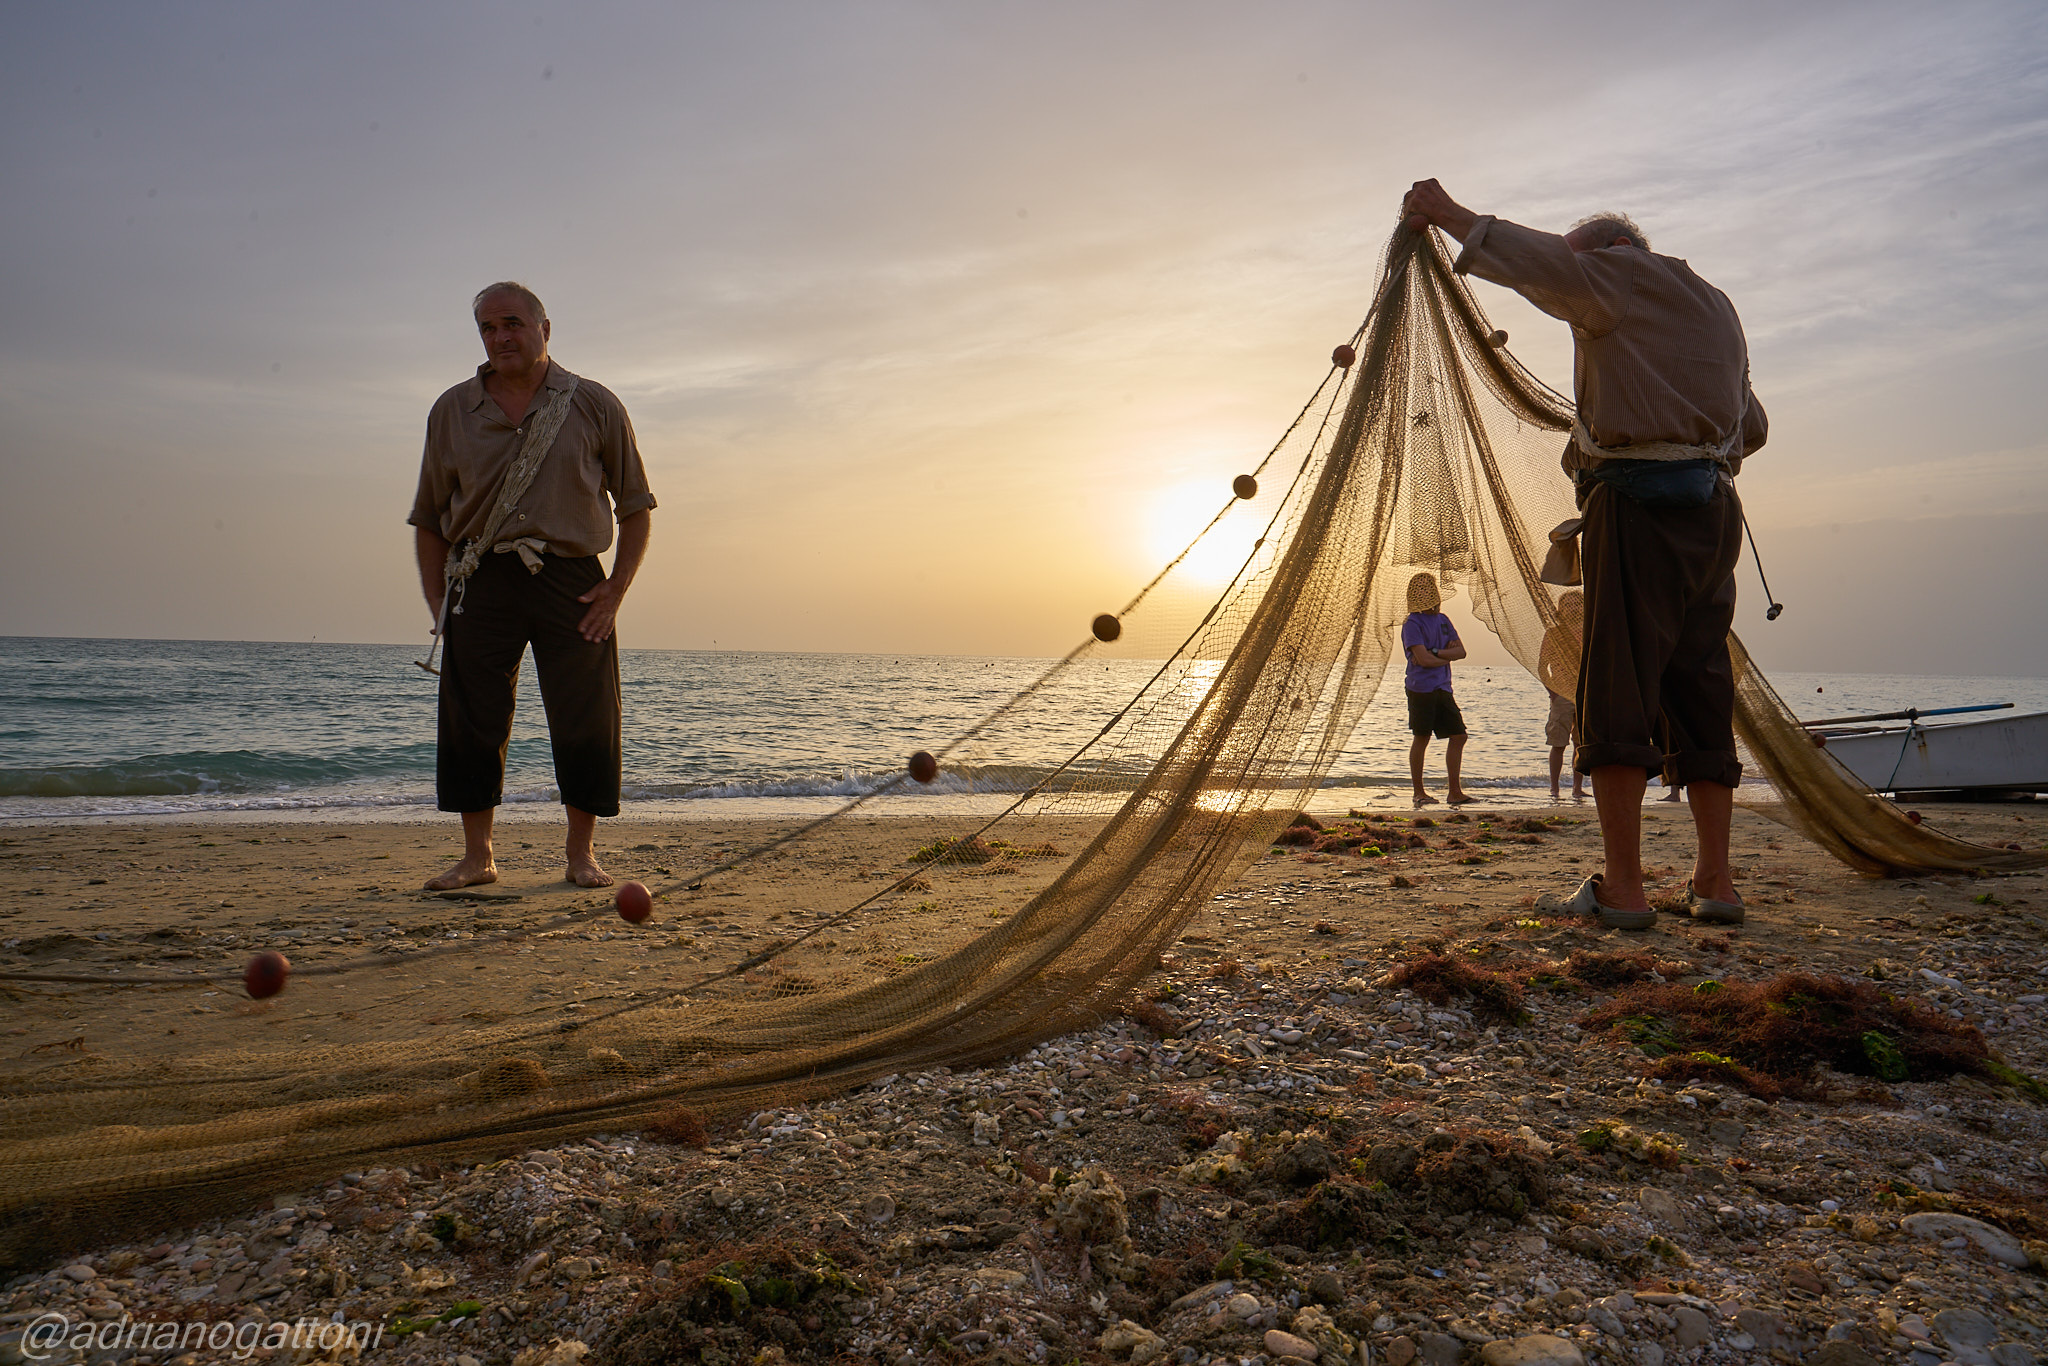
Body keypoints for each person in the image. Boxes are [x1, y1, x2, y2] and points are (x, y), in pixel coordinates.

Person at [1401, 180, 1765, 929]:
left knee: (1616, 689)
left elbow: (1544, 266)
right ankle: (1716, 884)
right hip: (1715, 516)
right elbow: (1752, 426)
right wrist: (1690, 444)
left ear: (1611, 252)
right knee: (1701, 686)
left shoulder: (1620, 275)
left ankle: (1624, 890)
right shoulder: (1716, 305)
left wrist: (1449, 215)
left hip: (1637, 511)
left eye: (1584, 271)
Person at [408, 282, 656, 891]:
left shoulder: (594, 403)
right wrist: (438, 601)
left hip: (572, 579)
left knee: (586, 715)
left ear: (545, 329)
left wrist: (616, 589)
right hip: (480, 577)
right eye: (488, 328)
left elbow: (635, 506)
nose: (500, 337)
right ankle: (478, 858)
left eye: (513, 323)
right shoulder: (452, 410)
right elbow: (429, 516)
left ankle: (581, 854)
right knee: (472, 717)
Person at [1401, 572, 1474, 807]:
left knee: (1459, 736)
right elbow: (1422, 660)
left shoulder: (1443, 620)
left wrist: (1435, 653)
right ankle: (1419, 792)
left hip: (1443, 687)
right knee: (1422, 737)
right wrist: (1444, 656)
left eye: (1428, 587)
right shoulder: (1412, 623)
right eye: (1420, 588)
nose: (1425, 592)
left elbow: (1461, 652)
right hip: (1420, 688)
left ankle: (1455, 792)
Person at [1537, 590, 1587, 802]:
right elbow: (1542, 667)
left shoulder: (1590, 631)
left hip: (1585, 696)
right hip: (1562, 696)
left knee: (1581, 745)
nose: (1573, 608)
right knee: (1558, 743)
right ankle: (1554, 789)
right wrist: (1553, 693)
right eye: (1568, 605)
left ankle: (1577, 788)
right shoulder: (1554, 634)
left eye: (1577, 604)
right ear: (1560, 610)